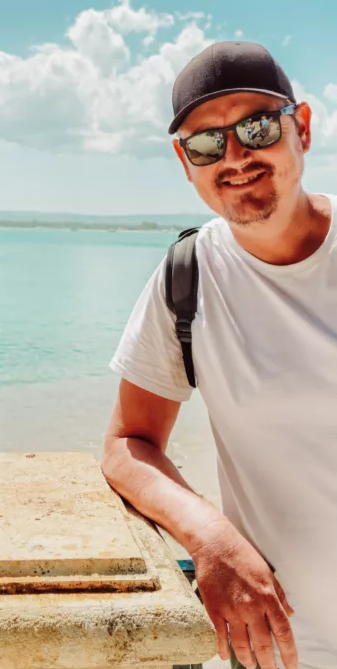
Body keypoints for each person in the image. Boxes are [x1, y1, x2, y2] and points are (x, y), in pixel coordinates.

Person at [103, 41, 337, 669]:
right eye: (206, 144)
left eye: (256, 127)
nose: (234, 156)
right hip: (283, 646)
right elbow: (129, 443)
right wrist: (210, 537)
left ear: (304, 128)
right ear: (186, 164)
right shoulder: (189, 276)